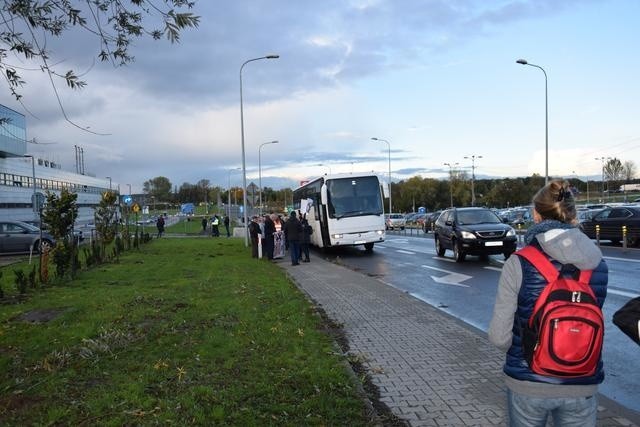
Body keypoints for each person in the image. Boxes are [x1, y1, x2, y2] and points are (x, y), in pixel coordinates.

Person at [488, 180, 608, 427]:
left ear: (535, 214)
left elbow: (499, 337)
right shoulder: (598, 263)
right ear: (573, 214)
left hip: (528, 382)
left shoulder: (519, 262)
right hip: (582, 379)